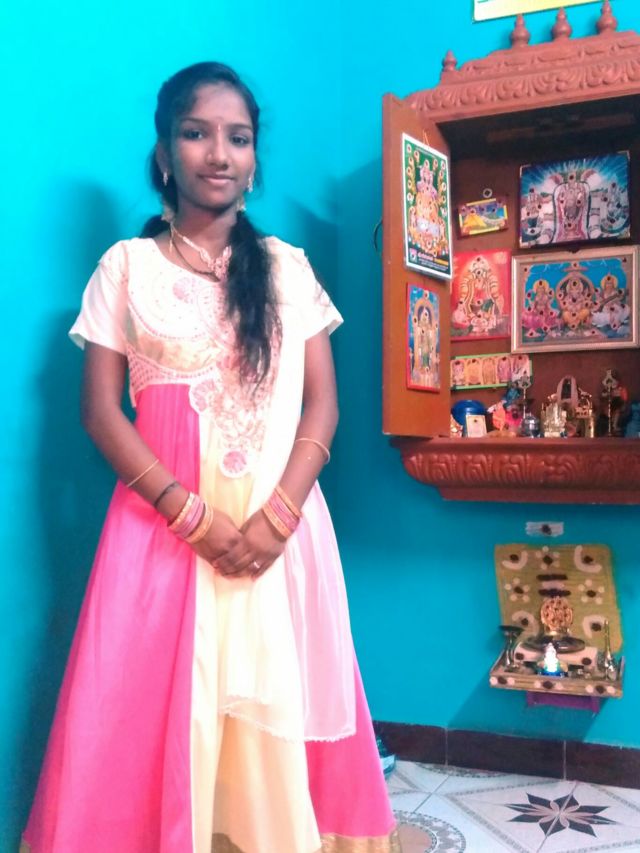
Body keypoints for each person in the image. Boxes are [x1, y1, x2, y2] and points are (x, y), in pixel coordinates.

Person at [21, 62, 399, 853]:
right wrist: (187, 513)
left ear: (255, 158)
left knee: (273, 715)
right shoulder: (126, 268)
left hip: (278, 536)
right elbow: (100, 411)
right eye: (196, 134)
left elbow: (323, 406)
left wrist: (278, 517)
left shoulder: (289, 269)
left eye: (239, 138)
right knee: (146, 713)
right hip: (158, 536)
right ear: (165, 154)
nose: (219, 154)